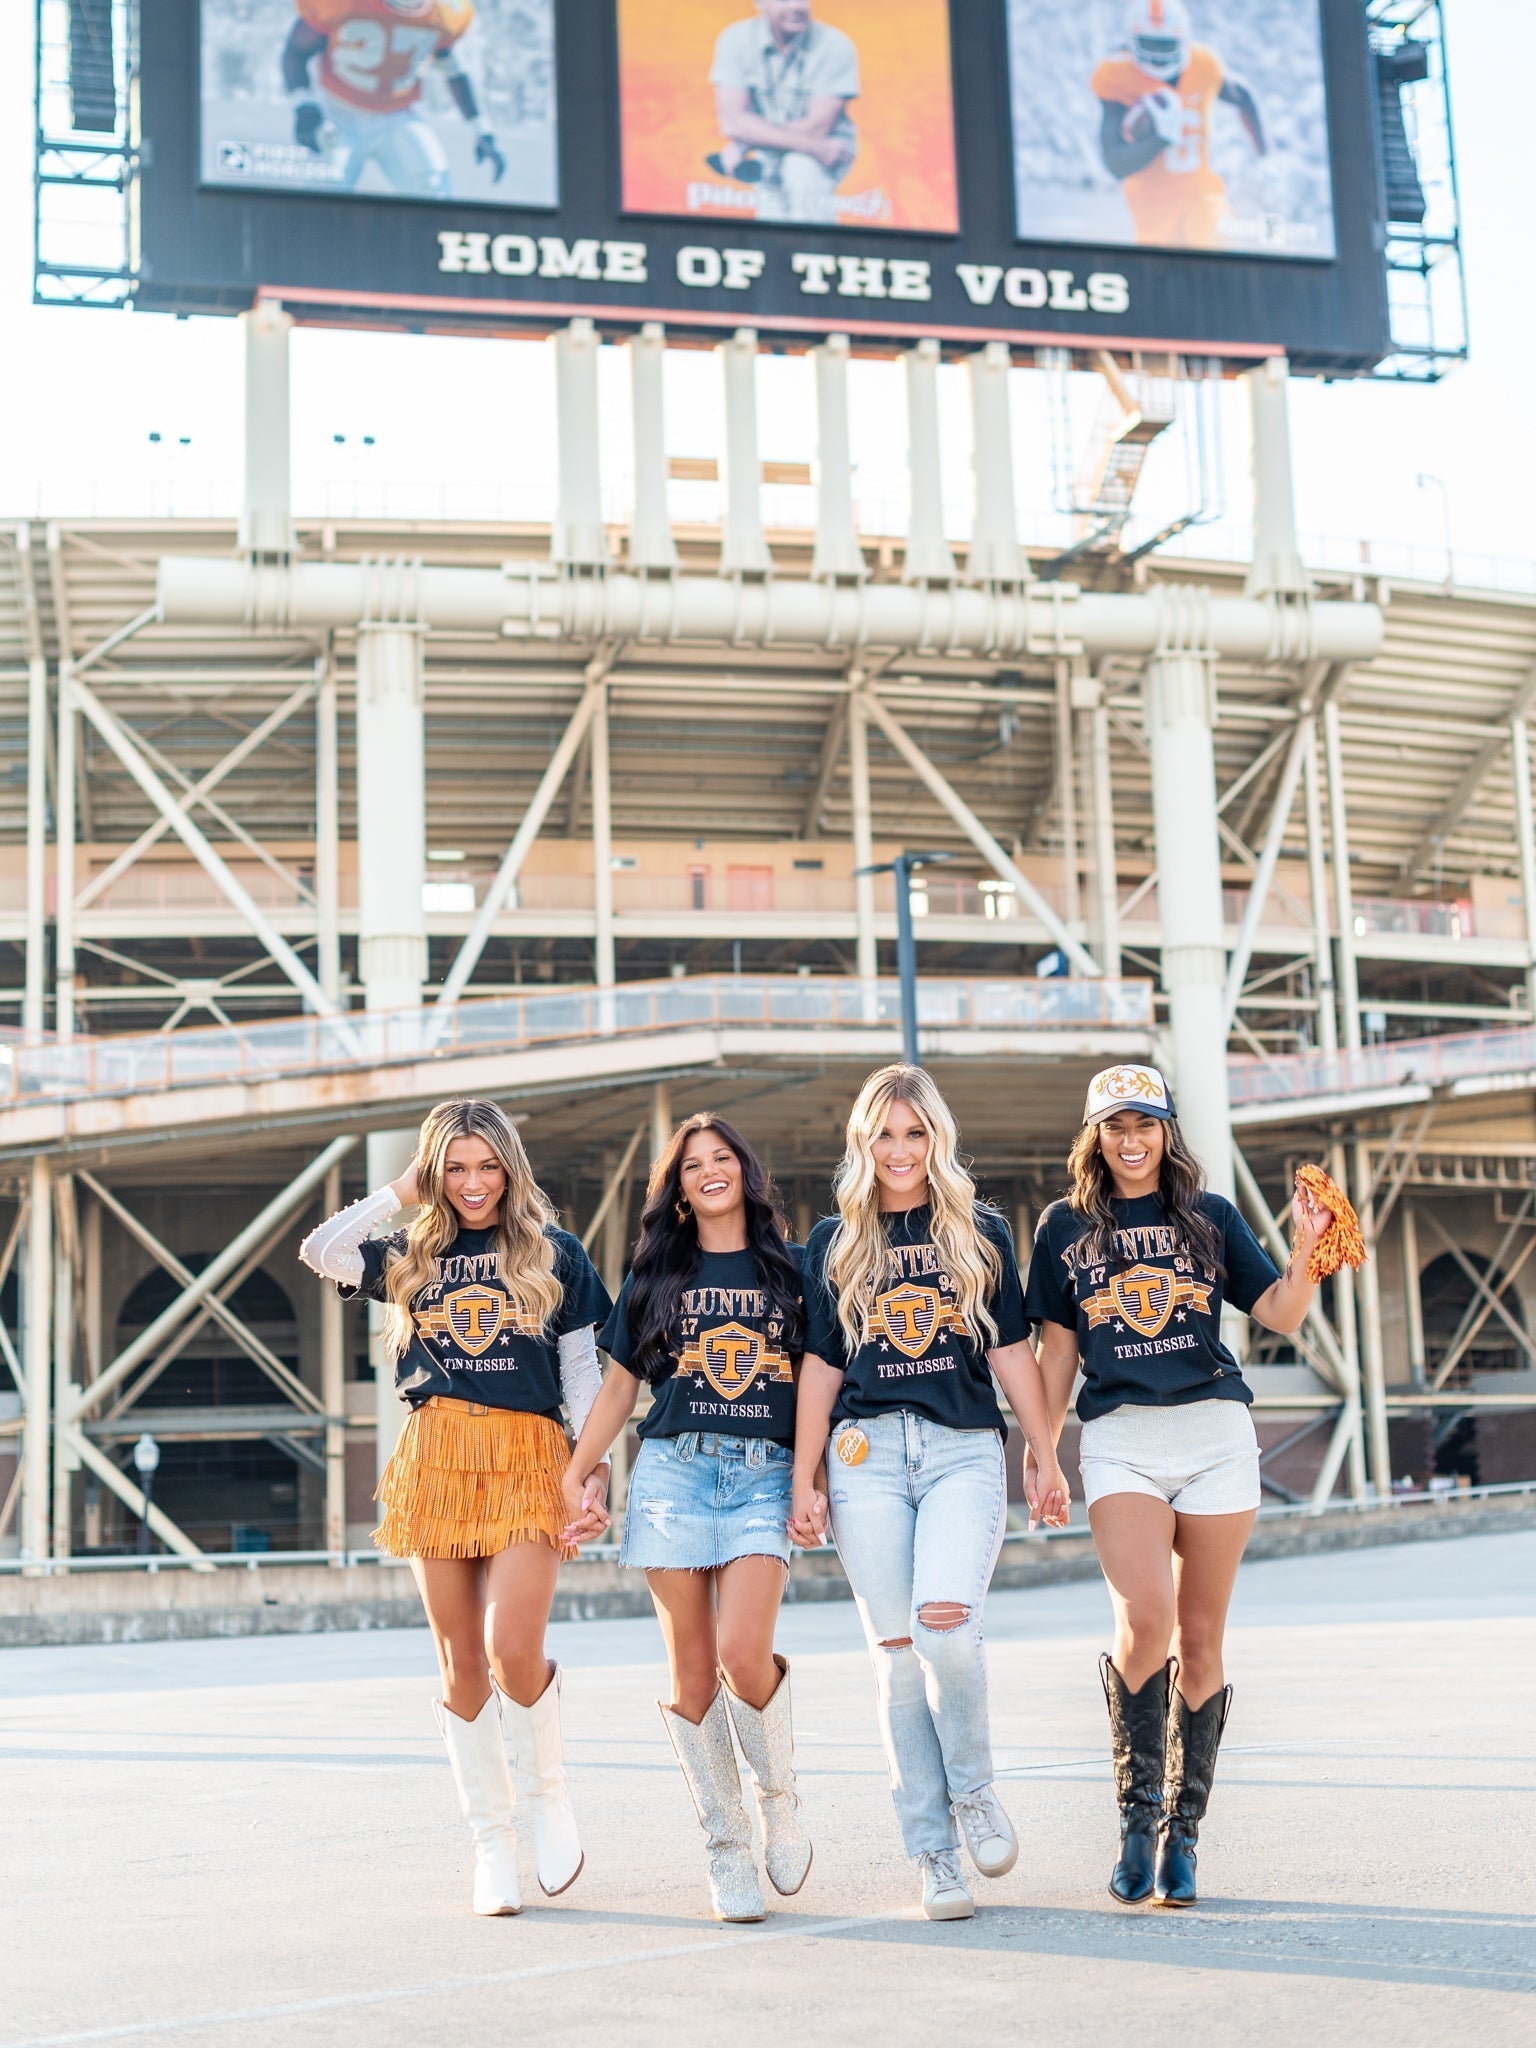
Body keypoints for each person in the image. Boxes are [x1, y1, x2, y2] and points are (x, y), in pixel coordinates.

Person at [1023, 1064, 1335, 1908]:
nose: (1132, 1142)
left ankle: (1182, 1837)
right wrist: (1044, 1454)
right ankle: (1135, 1814)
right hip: (1120, 1436)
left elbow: (1281, 1312)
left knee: (1200, 1641)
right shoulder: (1064, 1228)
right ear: (1095, 1137)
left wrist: (1308, 1251)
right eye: (1116, 1127)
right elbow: (1056, 1352)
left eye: (1146, 1125)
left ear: (1168, 1132)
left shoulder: (1208, 1217)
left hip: (1216, 1438)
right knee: (1145, 1622)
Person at [298, 1098, 610, 1917]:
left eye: (487, 1165)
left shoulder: (557, 1254)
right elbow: (321, 1249)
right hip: (435, 1458)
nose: (473, 1184)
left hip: (527, 1457)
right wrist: (400, 1190)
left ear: (511, 1168)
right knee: (459, 1663)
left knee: (513, 1648)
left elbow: (584, 1376)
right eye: (456, 1167)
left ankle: (547, 1800)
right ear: (437, 1171)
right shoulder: (411, 1252)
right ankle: (490, 1843)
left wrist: (593, 1470)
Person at [789, 1065, 1070, 1923]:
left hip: (961, 1452)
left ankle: (975, 1789)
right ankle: (934, 1853)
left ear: (936, 1138)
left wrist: (1045, 1454)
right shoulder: (835, 1240)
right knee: (898, 1658)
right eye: (885, 1133)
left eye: (915, 1133)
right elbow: (822, 1364)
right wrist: (805, 1475)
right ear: (862, 1141)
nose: (900, 1150)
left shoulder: (979, 1229)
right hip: (864, 1455)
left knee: (947, 1632)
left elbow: (1010, 1348)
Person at [561, 1114, 812, 1924]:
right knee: (692, 1675)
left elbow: (820, 1377)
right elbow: (618, 1388)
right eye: (692, 1163)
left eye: (722, 1157)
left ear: (744, 1169)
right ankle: (725, 1846)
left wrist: (813, 1477)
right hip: (672, 1472)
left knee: (745, 1652)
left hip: (763, 1472)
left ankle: (778, 1793)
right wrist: (578, 1470)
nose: (709, 1171)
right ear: (676, 1184)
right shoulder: (655, 1274)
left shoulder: (794, 1268)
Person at [283, 0, 506, 200]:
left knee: (435, 191)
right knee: (320, 199)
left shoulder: (445, 11)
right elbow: (295, 52)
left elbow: (454, 71)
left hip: (397, 116)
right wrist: (305, 105)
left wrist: (481, 128)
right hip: (338, 112)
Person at [1093, 0, 1266, 250]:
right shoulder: (1116, 76)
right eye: (1149, 43)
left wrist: (1265, 157)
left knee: (1216, 248)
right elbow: (1115, 163)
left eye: (1165, 44)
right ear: (1132, 40)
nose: (1158, 55)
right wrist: (1160, 139)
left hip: (1202, 195)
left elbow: (1244, 96)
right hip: (1151, 206)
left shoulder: (1203, 65)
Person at [707, 0, 858, 224]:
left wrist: (746, 143)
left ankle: (815, 254)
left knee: (800, 169)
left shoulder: (834, 44)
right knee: (770, 218)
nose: (796, 6)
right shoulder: (734, 39)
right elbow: (733, 122)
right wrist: (815, 147)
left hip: (823, 153)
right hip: (796, 150)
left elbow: (817, 126)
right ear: (760, 3)